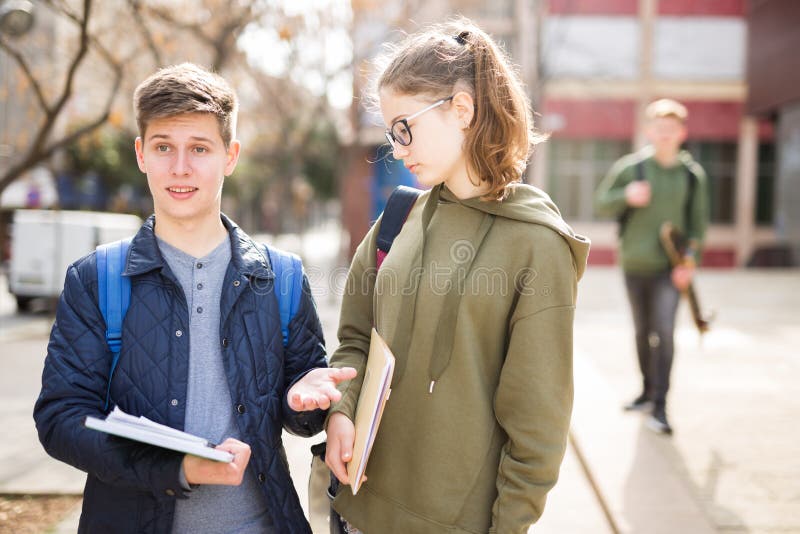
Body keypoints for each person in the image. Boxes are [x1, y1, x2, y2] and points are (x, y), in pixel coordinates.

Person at [33, 63, 355, 534]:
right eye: (164, 147)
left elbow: (302, 417)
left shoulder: (280, 276)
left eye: (199, 148)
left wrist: (304, 401)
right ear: (141, 153)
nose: (179, 168)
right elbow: (60, 419)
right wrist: (175, 470)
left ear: (231, 155)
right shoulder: (96, 278)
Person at [324, 20, 591, 533]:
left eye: (405, 127)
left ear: (462, 110)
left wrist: (510, 526)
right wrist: (341, 412)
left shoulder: (539, 244)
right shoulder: (398, 217)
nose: (397, 149)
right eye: (390, 132)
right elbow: (355, 338)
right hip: (357, 509)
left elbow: (538, 423)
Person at [595, 98, 709, 435]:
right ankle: (646, 393)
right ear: (649, 131)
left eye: (671, 130)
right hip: (633, 263)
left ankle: (661, 406)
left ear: (682, 133)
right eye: (659, 129)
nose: (665, 135)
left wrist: (689, 264)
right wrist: (625, 196)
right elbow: (601, 203)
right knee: (643, 332)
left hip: (668, 269)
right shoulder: (632, 168)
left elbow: (698, 227)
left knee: (665, 331)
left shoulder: (692, 176)